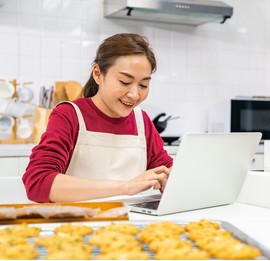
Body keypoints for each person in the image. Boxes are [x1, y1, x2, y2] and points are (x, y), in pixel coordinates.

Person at [22, 33, 173, 203]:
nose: (134, 94)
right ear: (98, 74)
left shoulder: (141, 121)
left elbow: (168, 173)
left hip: (128, 224)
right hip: (77, 225)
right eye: (124, 82)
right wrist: (125, 187)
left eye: (143, 85)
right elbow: (38, 183)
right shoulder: (69, 115)